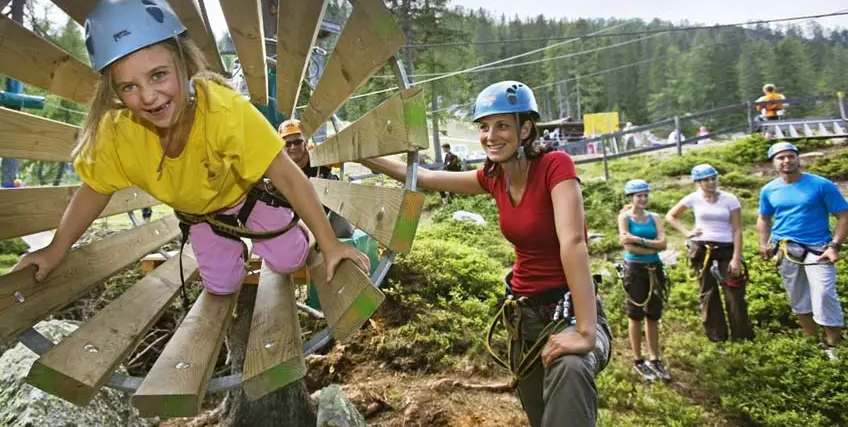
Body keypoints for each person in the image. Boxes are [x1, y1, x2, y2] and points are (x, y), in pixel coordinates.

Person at [11, 0, 368, 296]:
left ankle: (291, 228)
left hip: (244, 197)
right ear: (114, 91)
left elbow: (288, 175)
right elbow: (93, 190)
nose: (149, 96)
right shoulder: (119, 131)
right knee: (223, 286)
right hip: (200, 217)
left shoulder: (223, 110)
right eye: (129, 87)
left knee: (290, 258)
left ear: (183, 64)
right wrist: (57, 249)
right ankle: (231, 247)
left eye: (159, 75)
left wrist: (329, 241)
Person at [360, 80, 611, 427]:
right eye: (484, 127)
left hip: (568, 309)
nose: (491, 135)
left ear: (525, 129)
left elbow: (573, 243)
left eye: (503, 125)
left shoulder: (556, 166)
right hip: (524, 317)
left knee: (570, 370)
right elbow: (426, 177)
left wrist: (584, 331)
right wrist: (361, 155)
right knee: (541, 417)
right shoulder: (494, 177)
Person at [757, 142, 848, 359]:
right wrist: (764, 244)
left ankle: (834, 345)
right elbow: (764, 218)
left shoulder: (821, 185)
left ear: (798, 158)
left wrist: (835, 246)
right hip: (786, 247)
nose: (786, 161)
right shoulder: (769, 189)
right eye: (781, 158)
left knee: (825, 293)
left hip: (819, 248)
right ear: (774, 162)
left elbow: (844, 216)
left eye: (790, 156)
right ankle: (812, 342)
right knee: (798, 297)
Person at [666, 164, 754, 344]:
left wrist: (736, 258)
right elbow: (671, 216)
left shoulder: (730, 199)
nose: (711, 182)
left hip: (726, 248)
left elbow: (737, 229)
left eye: (713, 178)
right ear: (698, 182)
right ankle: (717, 337)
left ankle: (742, 338)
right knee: (708, 293)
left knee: (734, 293)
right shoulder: (693, 198)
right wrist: (687, 232)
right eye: (706, 180)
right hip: (703, 248)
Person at [617, 179, 671, 382]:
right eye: (639, 195)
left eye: (645, 195)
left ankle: (654, 357)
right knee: (635, 313)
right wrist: (652, 245)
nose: (643, 199)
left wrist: (638, 239)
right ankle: (638, 359)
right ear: (631, 198)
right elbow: (628, 247)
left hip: (654, 268)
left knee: (653, 313)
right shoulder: (624, 217)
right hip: (635, 269)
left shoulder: (654, 217)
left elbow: (663, 244)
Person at [277, 118, 355, 238]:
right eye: (287, 144)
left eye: (297, 142)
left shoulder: (319, 154)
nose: (292, 147)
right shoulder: (281, 167)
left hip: (331, 199)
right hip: (306, 210)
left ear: (305, 141)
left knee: (343, 232)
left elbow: (346, 155)